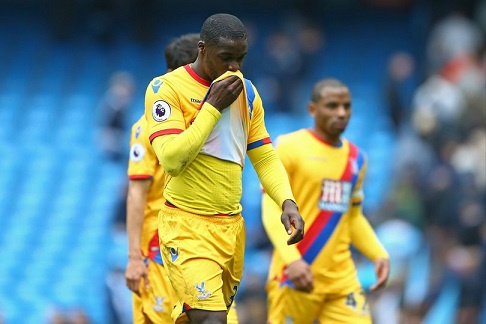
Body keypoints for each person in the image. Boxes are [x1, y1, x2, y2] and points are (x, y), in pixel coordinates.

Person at [144, 13, 305, 324]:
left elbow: (264, 156)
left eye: (240, 59)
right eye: (226, 58)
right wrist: (212, 107)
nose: (234, 67)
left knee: (204, 318)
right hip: (187, 224)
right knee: (213, 318)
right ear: (202, 50)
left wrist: (287, 201)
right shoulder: (166, 89)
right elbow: (172, 159)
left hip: (231, 228)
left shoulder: (248, 93)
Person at [262, 78, 390, 323]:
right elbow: (270, 207)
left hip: (341, 279)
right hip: (297, 273)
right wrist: (293, 261)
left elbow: (353, 217)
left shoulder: (357, 158)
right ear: (312, 109)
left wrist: (378, 254)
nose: (341, 113)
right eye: (332, 106)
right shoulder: (289, 146)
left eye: (346, 106)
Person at [125, 33, 200, 324]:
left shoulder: (209, 123)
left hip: (201, 244)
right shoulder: (146, 127)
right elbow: (136, 194)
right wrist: (133, 258)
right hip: (158, 251)